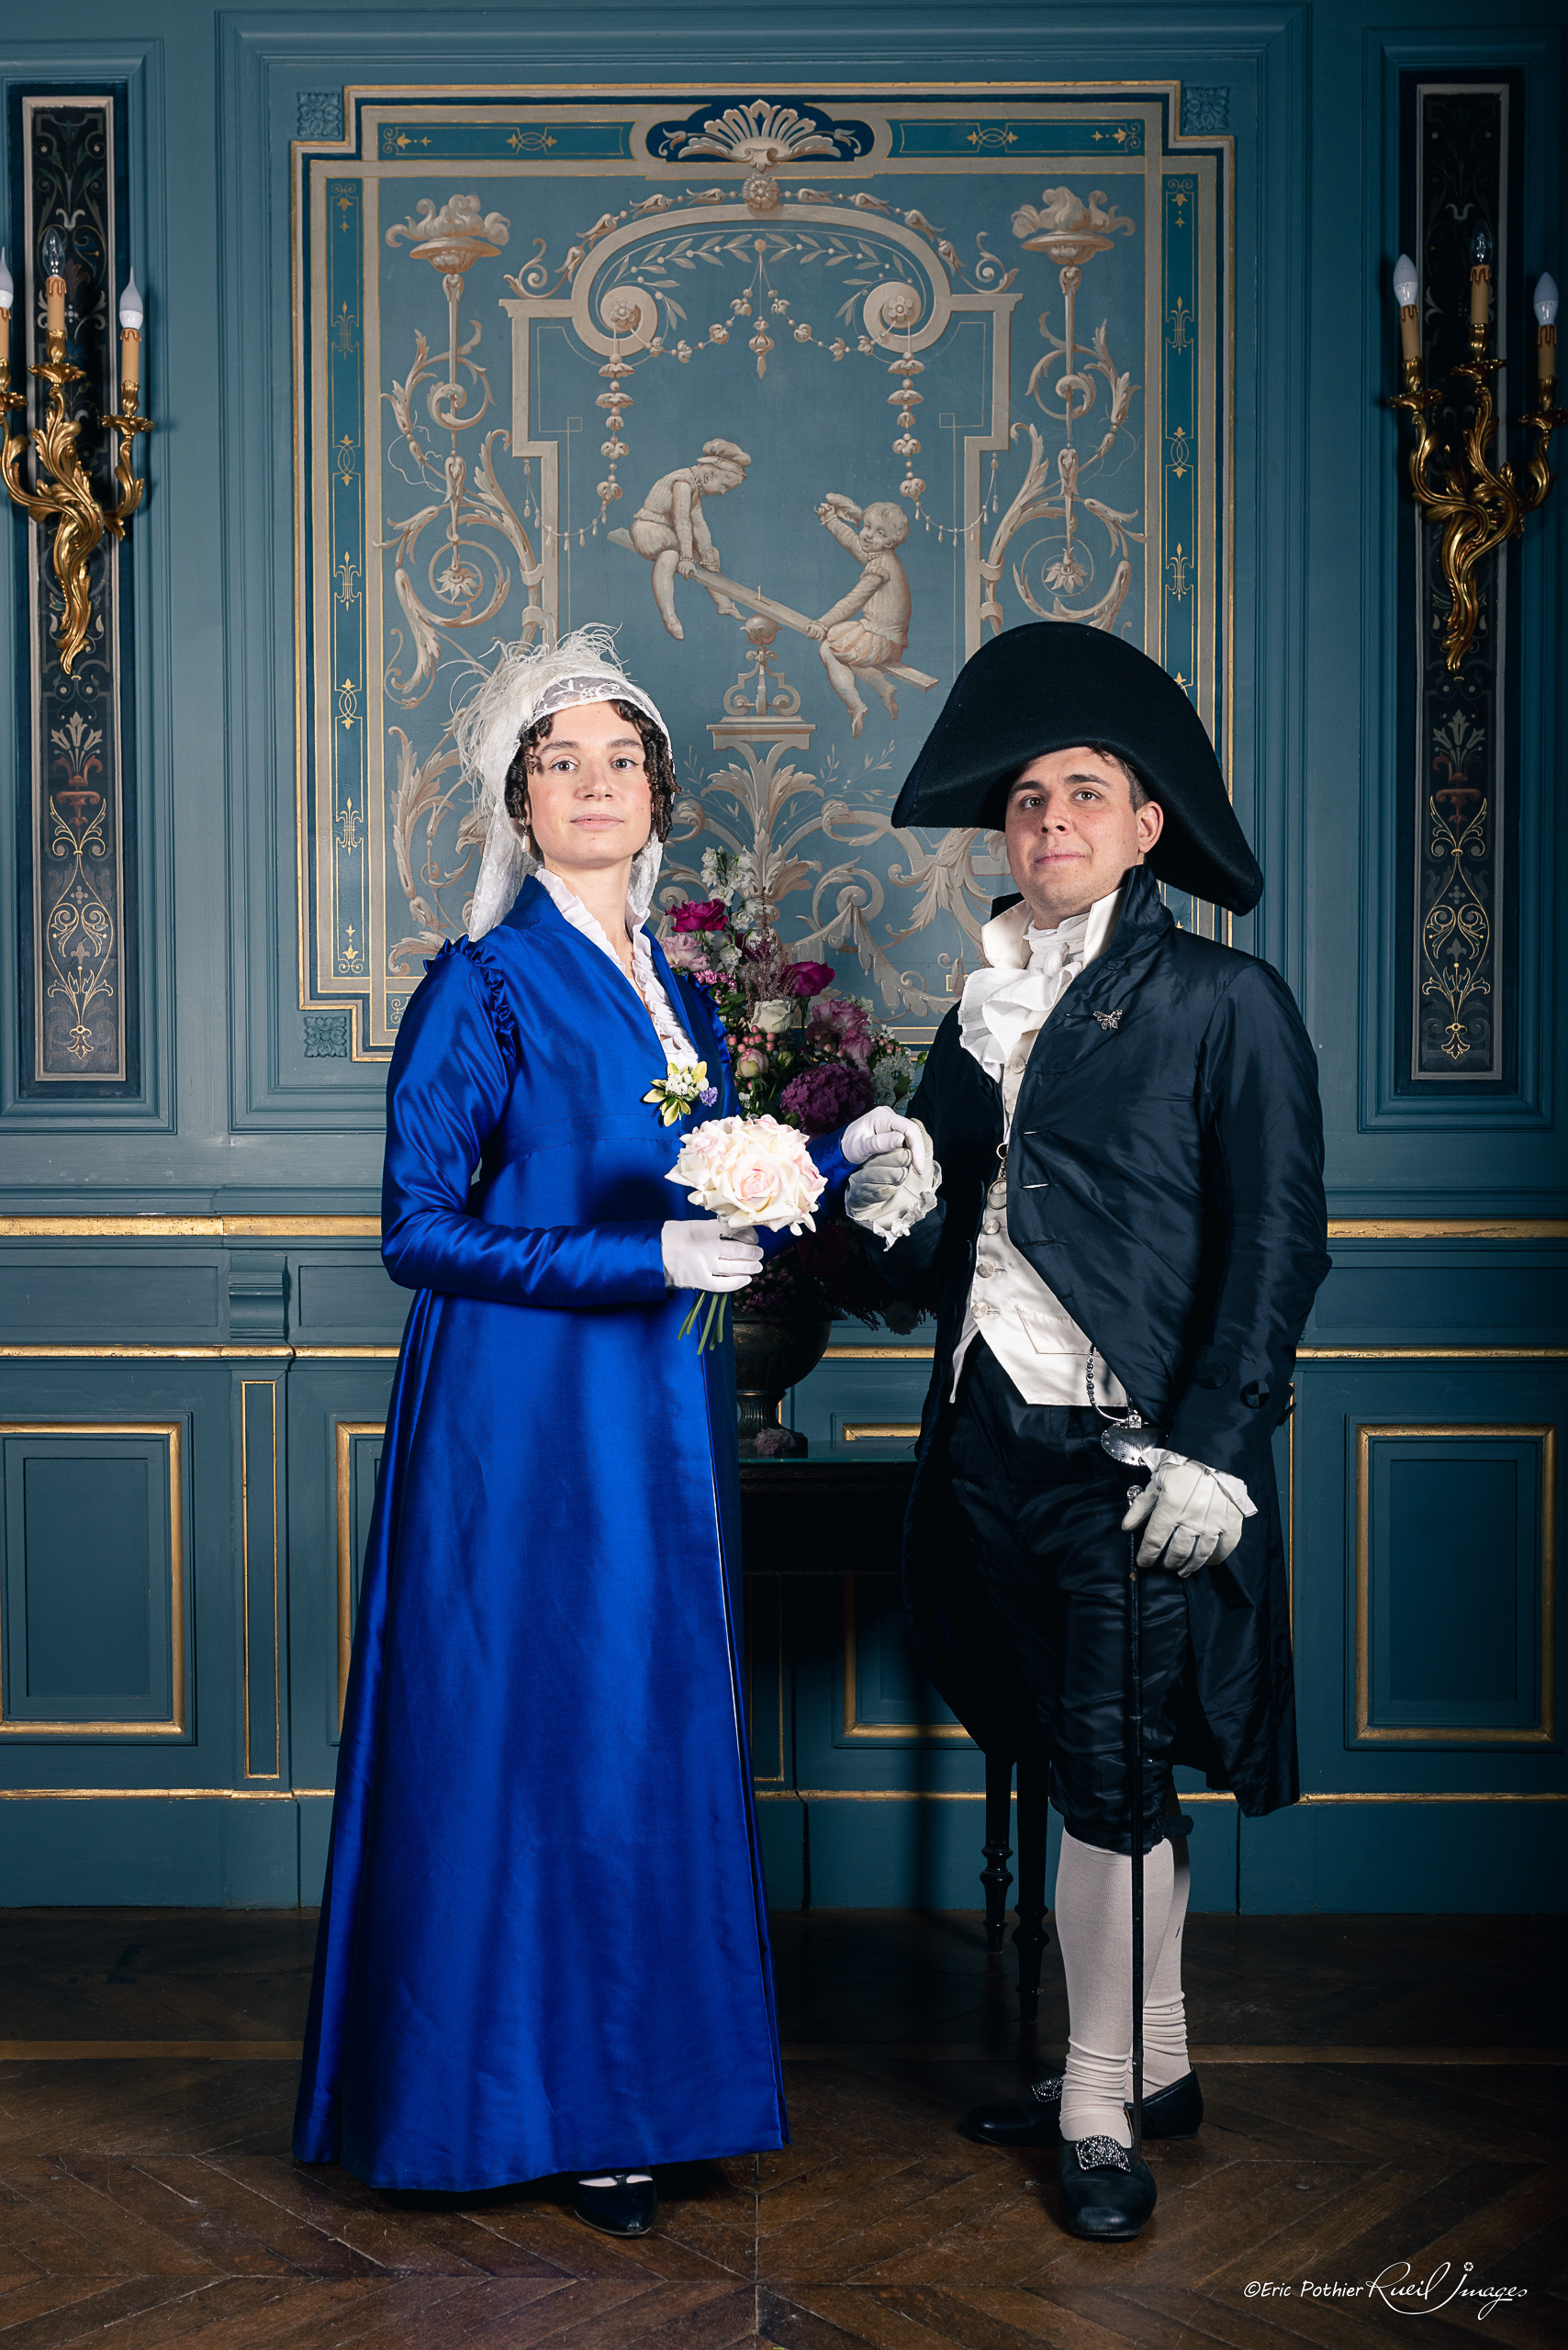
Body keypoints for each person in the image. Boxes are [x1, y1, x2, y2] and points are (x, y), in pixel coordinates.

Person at [294, 627, 921, 2229]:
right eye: (559, 762)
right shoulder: (481, 984)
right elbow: (417, 1230)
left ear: (658, 797)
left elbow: (715, 1189)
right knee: (533, 1723)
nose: (593, 784)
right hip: (515, 1417)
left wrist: (843, 1171)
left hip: (652, 1407)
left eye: (620, 761)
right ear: (518, 802)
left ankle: (640, 2094)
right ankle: (519, 2106)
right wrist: (642, 1261)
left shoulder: (683, 994)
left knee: (641, 1719)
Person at [847, 623, 1330, 2241]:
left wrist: (1214, 1449)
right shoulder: (976, 1009)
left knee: (1113, 1779)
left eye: (1085, 795)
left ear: (1145, 829)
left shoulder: (1225, 1001)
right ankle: (1159, 2058)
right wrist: (895, 1208)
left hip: (1133, 1462)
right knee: (1080, 1758)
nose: (1049, 819)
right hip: (983, 1445)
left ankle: (1097, 2103)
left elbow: (1278, 1244)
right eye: (1027, 800)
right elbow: (926, 1267)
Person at [808, 495, 913, 734]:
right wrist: (831, 521)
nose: (868, 535)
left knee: (829, 649)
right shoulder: (883, 557)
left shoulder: (880, 568)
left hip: (881, 640)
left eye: (879, 533)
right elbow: (853, 543)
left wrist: (823, 623)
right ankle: (883, 687)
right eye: (867, 526)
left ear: (889, 542)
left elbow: (853, 600)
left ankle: (855, 705)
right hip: (883, 638)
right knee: (842, 649)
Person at [628, 440, 751, 638]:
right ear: (709, 475)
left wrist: (708, 558)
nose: (722, 492)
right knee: (670, 556)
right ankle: (669, 617)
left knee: (712, 553)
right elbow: (681, 520)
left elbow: (699, 525)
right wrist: (686, 557)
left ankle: (724, 604)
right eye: (724, 486)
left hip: (669, 533)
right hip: (650, 530)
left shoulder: (696, 486)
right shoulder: (683, 483)